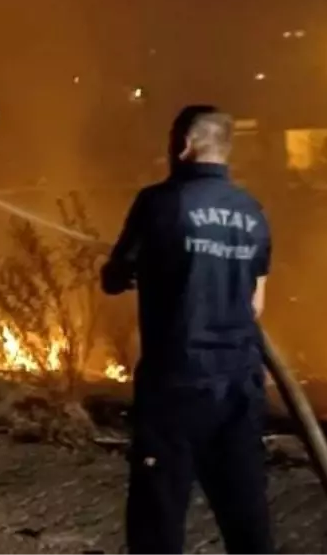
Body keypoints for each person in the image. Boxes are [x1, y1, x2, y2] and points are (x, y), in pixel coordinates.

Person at [101, 104, 274, 555]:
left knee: (158, 513)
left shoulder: (159, 202)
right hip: (239, 382)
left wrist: (129, 270)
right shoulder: (253, 212)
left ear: (182, 145)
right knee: (245, 510)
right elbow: (255, 304)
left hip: (175, 383)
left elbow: (114, 278)